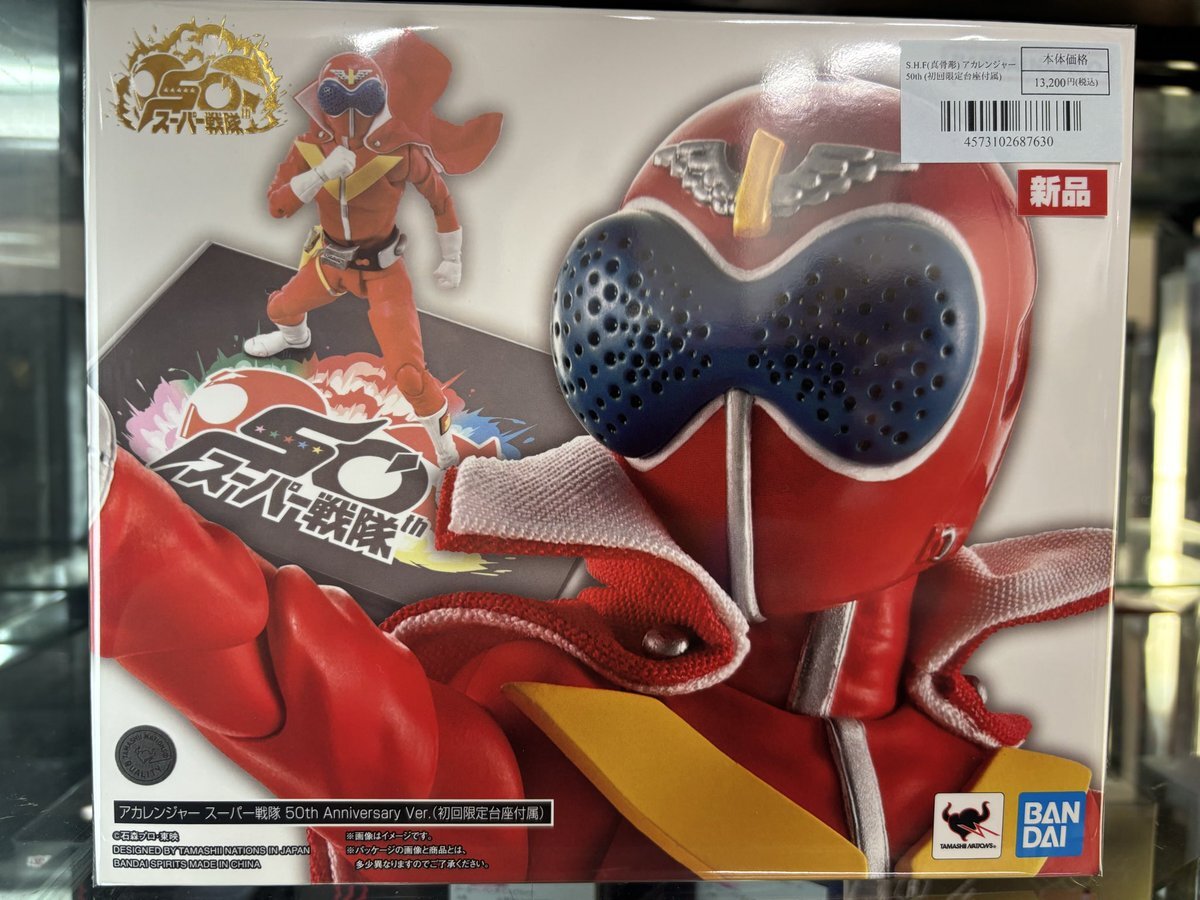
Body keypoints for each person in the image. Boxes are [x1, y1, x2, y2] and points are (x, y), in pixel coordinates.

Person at [98, 79, 1110, 883]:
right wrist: (108, 506)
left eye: (861, 335)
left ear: (999, 386)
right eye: (660, 329)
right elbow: (307, 696)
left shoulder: (1019, 793)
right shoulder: (556, 729)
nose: (742, 387)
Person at [243, 32, 501, 469]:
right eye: (335, 97)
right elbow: (278, 206)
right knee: (280, 308)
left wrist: (452, 256)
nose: (350, 111)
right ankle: (295, 341)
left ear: (380, 98)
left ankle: (445, 449)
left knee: (409, 375)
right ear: (321, 99)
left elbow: (440, 200)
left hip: (383, 272)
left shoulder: (401, 150)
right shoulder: (309, 148)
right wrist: (320, 172)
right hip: (329, 263)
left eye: (364, 98)